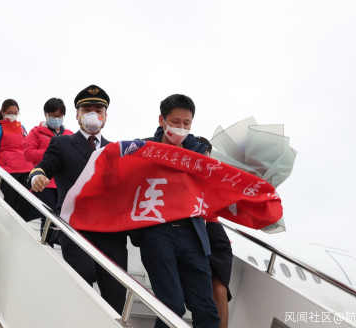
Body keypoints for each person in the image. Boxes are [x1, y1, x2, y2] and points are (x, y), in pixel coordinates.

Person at [29, 85, 127, 315]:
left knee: (116, 296)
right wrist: (37, 176)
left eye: (99, 110)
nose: (93, 115)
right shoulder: (63, 143)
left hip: (110, 233)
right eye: (87, 109)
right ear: (77, 114)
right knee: (81, 287)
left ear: (105, 116)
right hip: (76, 230)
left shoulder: (115, 149)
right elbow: (44, 166)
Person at [139, 94, 220, 328]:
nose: (181, 128)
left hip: (193, 235)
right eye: (175, 122)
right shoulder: (144, 149)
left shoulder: (201, 156)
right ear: (162, 120)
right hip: (158, 234)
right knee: (171, 307)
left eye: (187, 123)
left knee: (206, 310)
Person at [23, 98, 74, 243]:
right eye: (52, 115)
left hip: (64, 183)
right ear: (45, 114)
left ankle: (54, 242)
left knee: (61, 216)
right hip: (43, 181)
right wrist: (52, 153)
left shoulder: (70, 134)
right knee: (50, 214)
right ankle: (46, 244)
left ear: (64, 115)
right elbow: (27, 154)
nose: (55, 118)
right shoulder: (36, 132)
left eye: (58, 115)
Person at [196, 136, 233, 328]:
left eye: (208, 156)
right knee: (201, 292)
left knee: (220, 291)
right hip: (191, 232)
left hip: (214, 234)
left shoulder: (215, 178)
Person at [0, 99, 34, 221]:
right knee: (9, 199)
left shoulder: (22, 127)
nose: (13, 115)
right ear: (3, 112)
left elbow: (26, 145)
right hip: (8, 169)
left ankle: (20, 221)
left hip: (26, 167)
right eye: (10, 112)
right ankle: (9, 223)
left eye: (16, 113)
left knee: (29, 197)